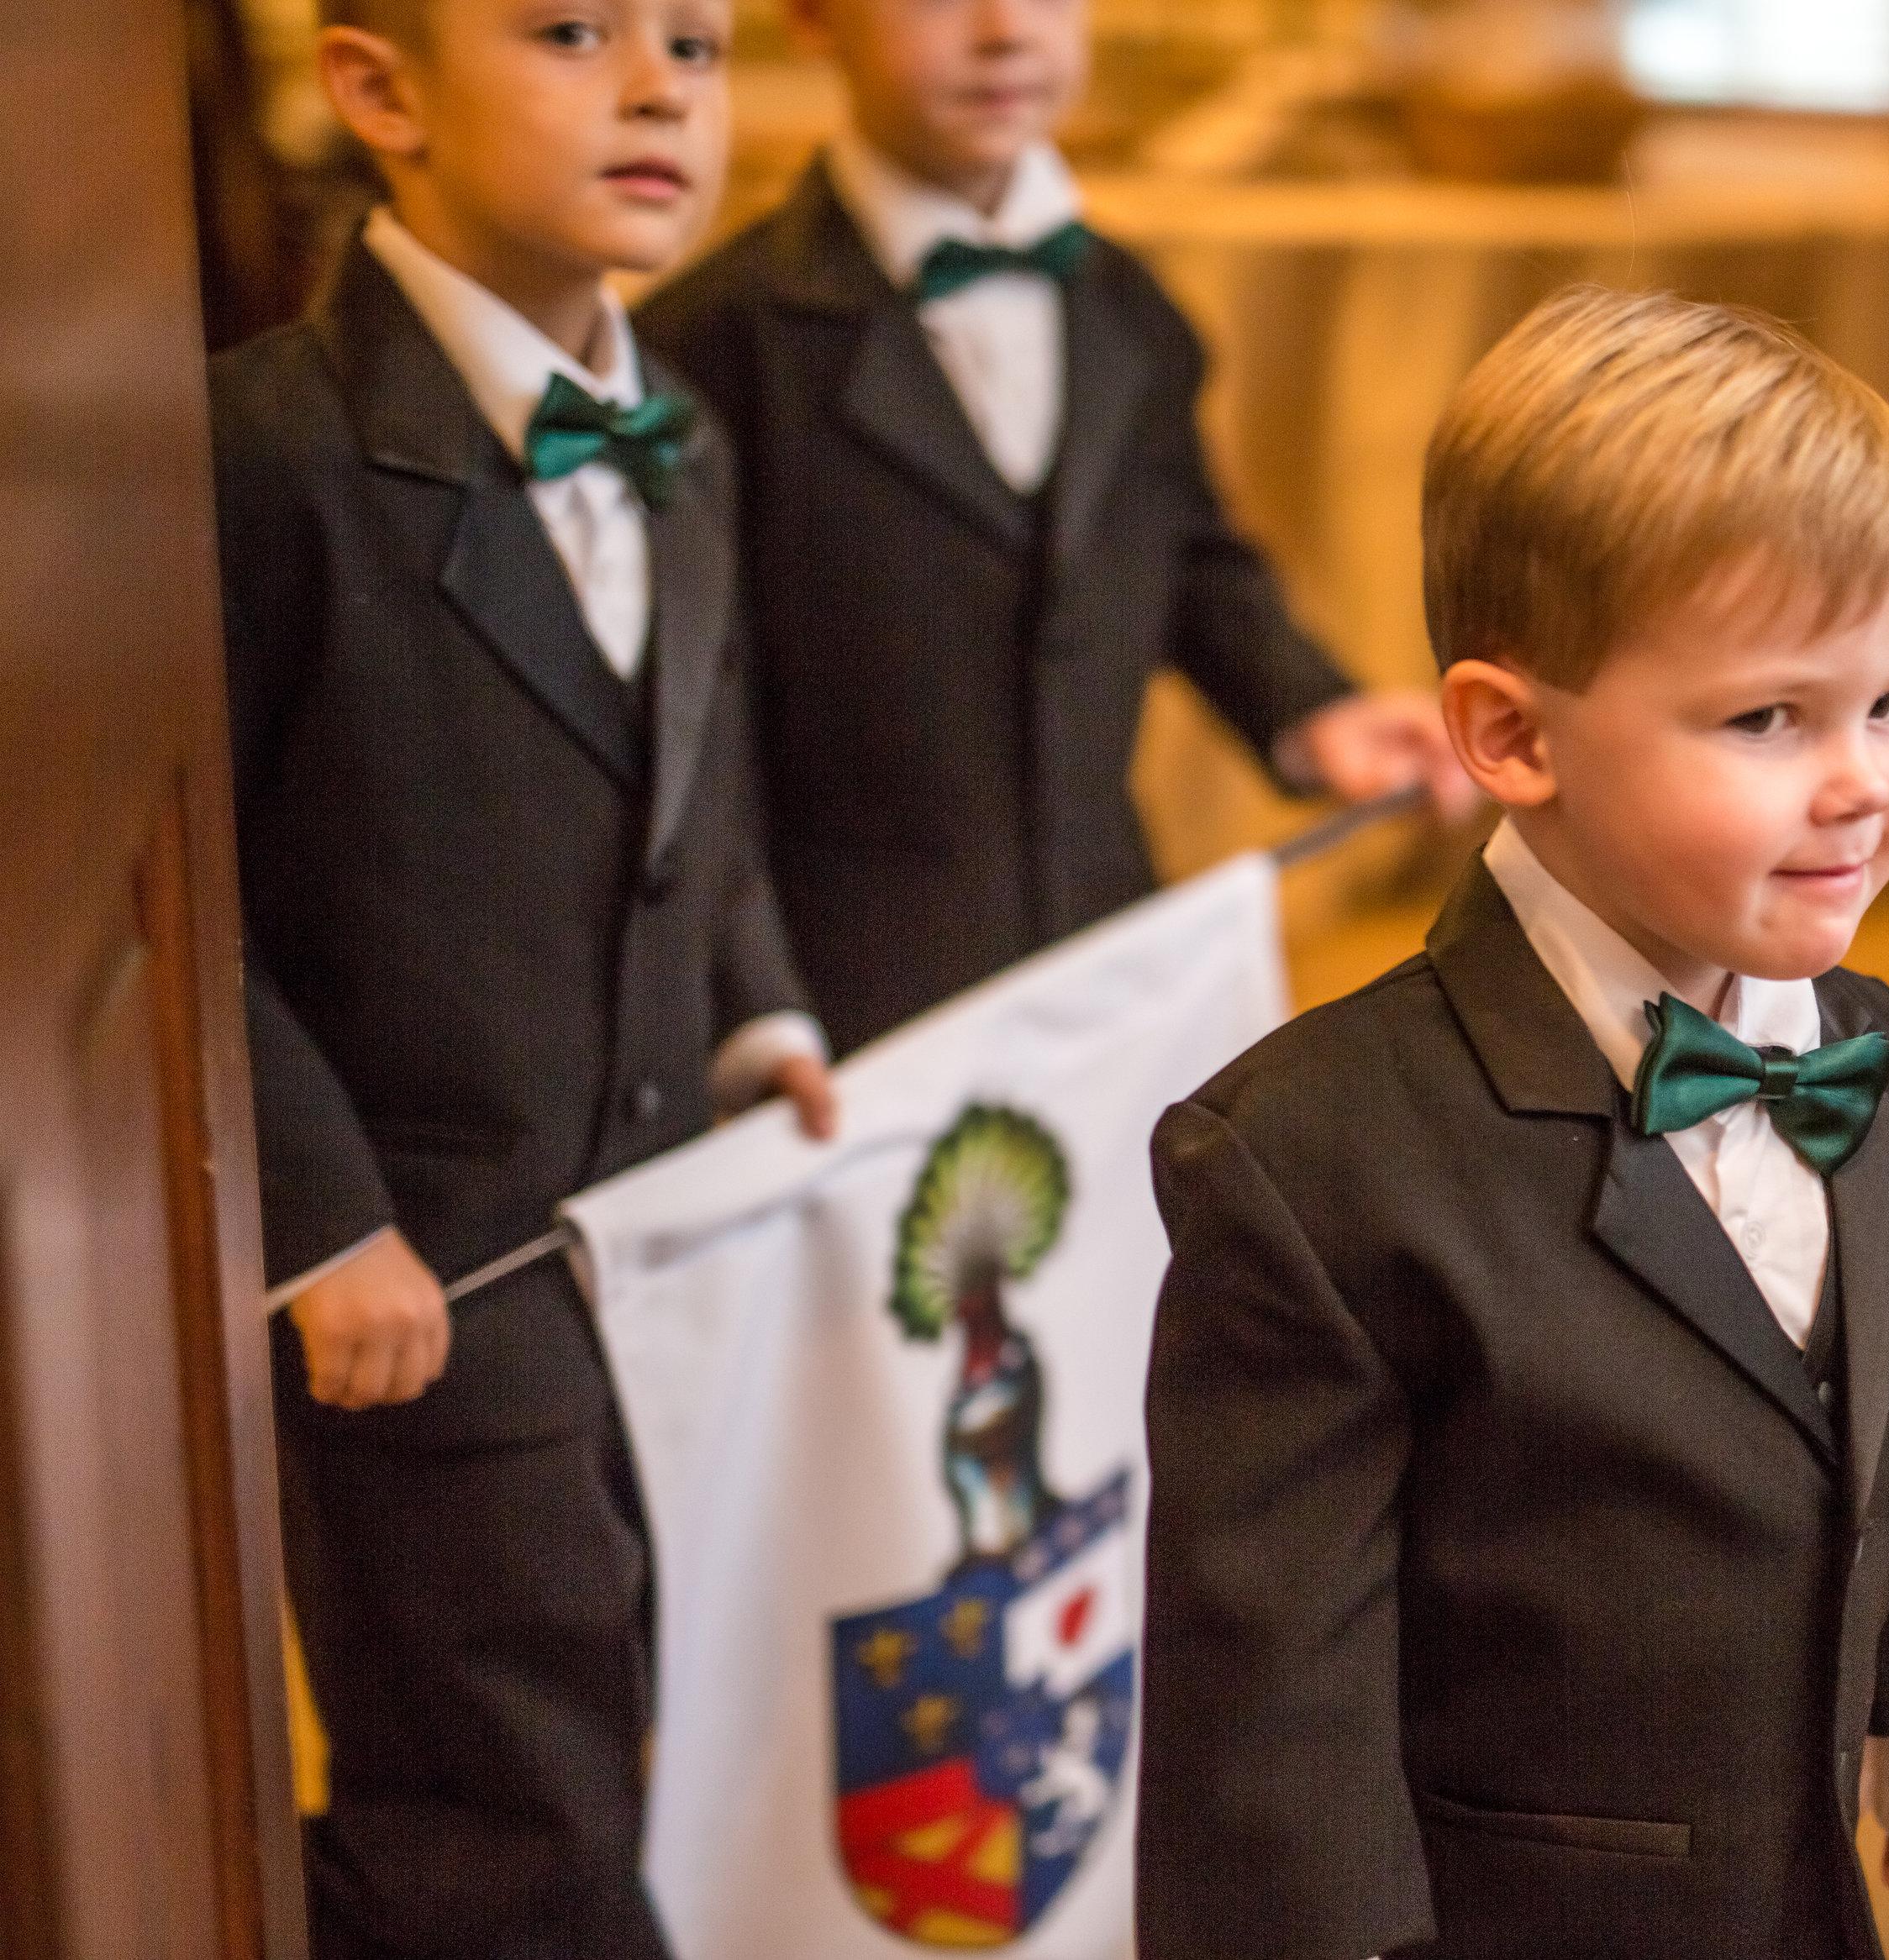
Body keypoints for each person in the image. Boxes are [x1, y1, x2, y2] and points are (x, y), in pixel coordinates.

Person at [1137, 285, 1889, 1960]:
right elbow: (1265, 1714)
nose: (1863, 782)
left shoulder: (1884, 1062)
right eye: (1771, 716)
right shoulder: (1313, 1160)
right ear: (1511, 734)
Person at [211, 3, 834, 1952]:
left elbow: (693, 783)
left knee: (660, 1717)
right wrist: (317, 1220)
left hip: (661, 1258)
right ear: (378, 87)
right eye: (570, 30)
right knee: (499, 1806)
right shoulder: (259, 453)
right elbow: (163, 898)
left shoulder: (689, 438)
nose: (660, 87)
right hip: (435, 1287)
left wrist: (759, 999)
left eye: (699, 43)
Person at [638, 0, 1471, 1052]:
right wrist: (751, 1003)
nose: (1003, 29)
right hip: (854, 999)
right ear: (812, 17)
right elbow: (696, 726)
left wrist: (1312, 709)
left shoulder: (1131, 306)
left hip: (1104, 958)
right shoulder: (711, 340)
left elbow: (1188, 553)